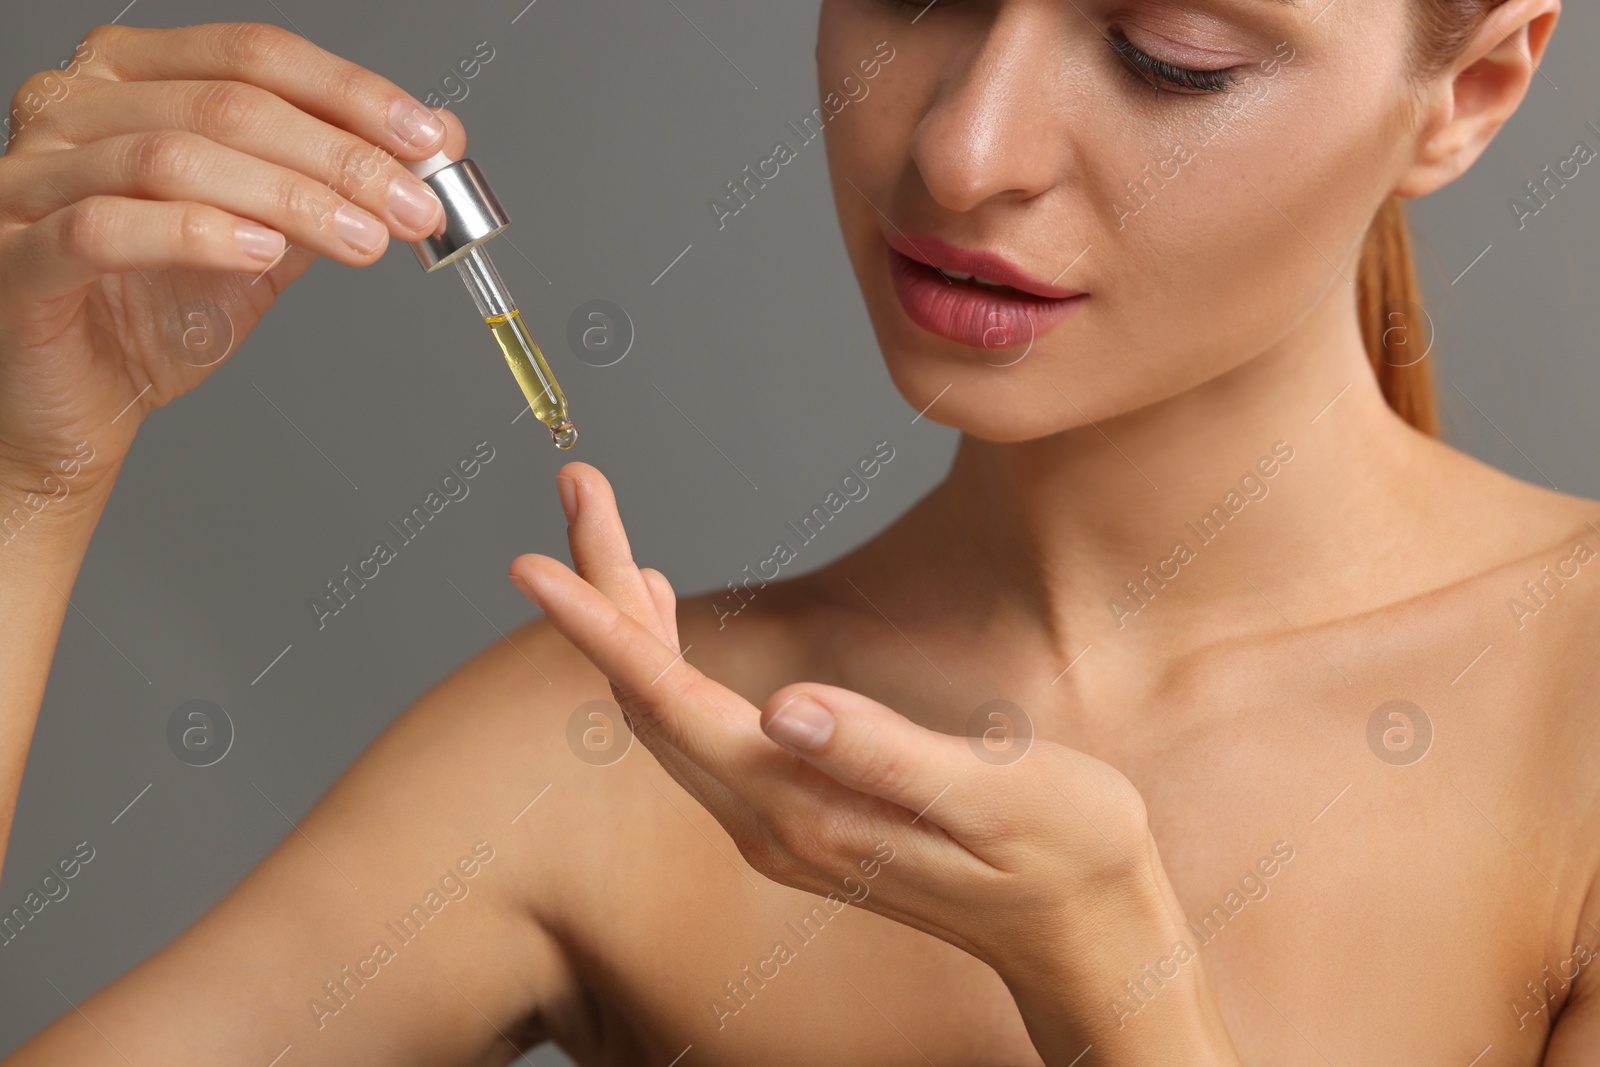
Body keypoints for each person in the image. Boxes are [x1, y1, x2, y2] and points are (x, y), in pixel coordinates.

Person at [0, 1, 1591, 1062]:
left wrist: (1119, 991)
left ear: (1469, 88)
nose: (967, 151)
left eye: (1168, 53)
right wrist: (26, 471)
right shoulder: (607, 752)